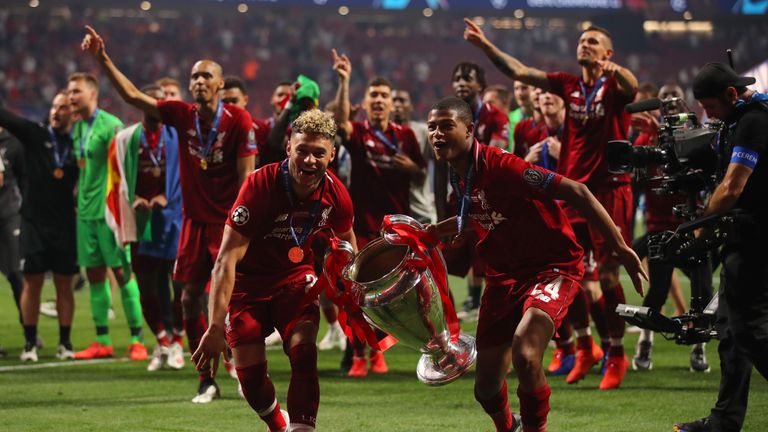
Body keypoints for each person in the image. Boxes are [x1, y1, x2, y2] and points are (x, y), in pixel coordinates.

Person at [425, 97, 645, 432]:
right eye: (431, 127)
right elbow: (485, 209)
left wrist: (621, 247)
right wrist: (442, 230)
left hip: (552, 267)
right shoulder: (459, 172)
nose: (436, 134)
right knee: (485, 389)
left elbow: (578, 191)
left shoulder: (503, 165)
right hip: (503, 278)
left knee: (526, 355)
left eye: (446, 126)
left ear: (470, 130)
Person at [81, 25, 257, 402]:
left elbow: (247, 180)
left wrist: (241, 229)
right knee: (188, 299)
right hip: (193, 225)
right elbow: (132, 96)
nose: (197, 81)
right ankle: (205, 378)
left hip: (228, 225)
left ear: (220, 83)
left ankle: (240, 369)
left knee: (232, 301)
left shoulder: (239, 121)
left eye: (205, 75)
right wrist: (102, 59)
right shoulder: (181, 114)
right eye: (193, 75)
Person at [465, 18, 639, 390]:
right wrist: (486, 47)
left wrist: (617, 70)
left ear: (607, 52)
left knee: (607, 276)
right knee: (565, 269)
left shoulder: (612, 87)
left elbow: (633, 87)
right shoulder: (569, 84)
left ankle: (617, 354)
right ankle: (585, 346)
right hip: (573, 190)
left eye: (593, 41)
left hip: (610, 189)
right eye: (581, 40)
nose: (584, 45)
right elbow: (522, 72)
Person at [192, 109, 356, 432]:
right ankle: (277, 426)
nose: (309, 160)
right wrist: (213, 327)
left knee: (304, 353)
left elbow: (348, 243)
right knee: (251, 379)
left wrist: (355, 289)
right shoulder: (259, 186)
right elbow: (226, 260)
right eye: (302, 151)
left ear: (332, 154)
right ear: (288, 147)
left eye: (319, 153)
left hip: (295, 281)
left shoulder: (336, 195)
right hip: (247, 288)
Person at [674, 63, 768, 432]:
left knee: (749, 330)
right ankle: (725, 421)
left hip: (759, 238)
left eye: (711, 107)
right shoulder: (736, 120)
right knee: (729, 332)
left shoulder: (754, 121)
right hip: (743, 236)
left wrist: (699, 231)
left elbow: (731, 188)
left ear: (731, 94)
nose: (708, 115)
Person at [331, 48, 427, 377]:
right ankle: (360, 355)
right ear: (367, 101)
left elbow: (422, 174)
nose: (378, 100)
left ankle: (381, 352)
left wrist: (412, 165)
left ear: (391, 102)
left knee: (390, 299)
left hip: (395, 231)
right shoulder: (359, 133)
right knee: (354, 295)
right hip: (361, 228)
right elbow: (341, 121)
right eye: (373, 95)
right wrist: (344, 80)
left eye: (384, 96)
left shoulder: (405, 137)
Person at [630, 83, 712, 373]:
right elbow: (635, 185)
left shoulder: (698, 138)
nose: (669, 104)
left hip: (692, 226)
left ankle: (699, 346)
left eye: (673, 98)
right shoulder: (646, 139)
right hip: (659, 228)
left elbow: (709, 181)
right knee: (658, 290)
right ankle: (645, 341)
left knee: (703, 288)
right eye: (663, 99)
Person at [65, 72, 147, 361]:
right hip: (85, 214)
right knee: (95, 275)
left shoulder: (112, 125)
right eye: (69, 91)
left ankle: (137, 340)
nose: (71, 96)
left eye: (76, 91)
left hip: (109, 214)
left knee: (123, 274)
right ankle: (103, 340)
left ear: (91, 94)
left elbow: (126, 167)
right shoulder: (76, 129)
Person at [108, 84, 186, 371]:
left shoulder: (177, 136)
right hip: (142, 222)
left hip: (174, 218)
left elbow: (187, 175)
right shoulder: (126, 139)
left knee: (180, 287)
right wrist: (134, 199)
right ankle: (162, 341)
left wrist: (169, 196)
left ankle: (177, 340)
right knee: (147, 288)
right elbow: (117, 181)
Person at [0, 91, 78, 361]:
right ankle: (30, 343)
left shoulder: (79, 143)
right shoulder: (36, 135)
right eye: (54, 107)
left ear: (74, 114)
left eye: (63, 107)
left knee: (64, 284)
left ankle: (65, 343)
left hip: (66, 223)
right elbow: (7, 118)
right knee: (31, 282)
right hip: (33, 221)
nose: (56, 112)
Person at [392, 88, 436, 225]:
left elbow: (442, 163)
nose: (397, 105)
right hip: (390, 210)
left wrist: (415, 169)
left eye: (402, 101)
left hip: (419, 210)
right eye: (394, 101)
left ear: (410, 106)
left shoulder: (423, 132)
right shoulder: (377, 134)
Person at [0, 124, 25, 353]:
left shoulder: (14, 142)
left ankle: (29, 331)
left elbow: (23, 179)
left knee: (16, 274)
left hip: (8, 215)